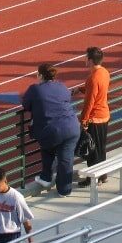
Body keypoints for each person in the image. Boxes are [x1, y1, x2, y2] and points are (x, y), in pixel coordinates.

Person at [21, 62, 81, 197]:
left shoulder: (35, 89)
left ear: (40, 75)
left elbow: (26, 104)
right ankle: (64, 190)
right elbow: (67, 98)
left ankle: (46, 177)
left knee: (47, 147)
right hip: (72, 126)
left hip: (51, 129)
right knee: (66, 159)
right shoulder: (61, 86)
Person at [76, 47, 110, 187]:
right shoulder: (104, 72)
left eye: (86, 57)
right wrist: (82, 89)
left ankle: (93, 178)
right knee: (101, 147)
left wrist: (83, 120)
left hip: (94, 118)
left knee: (92, 149)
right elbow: (98, 89)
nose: (85, 59)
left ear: (90, 60)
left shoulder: (92, 78)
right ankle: (103, 175)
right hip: (104, 115)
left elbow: (89, 102)